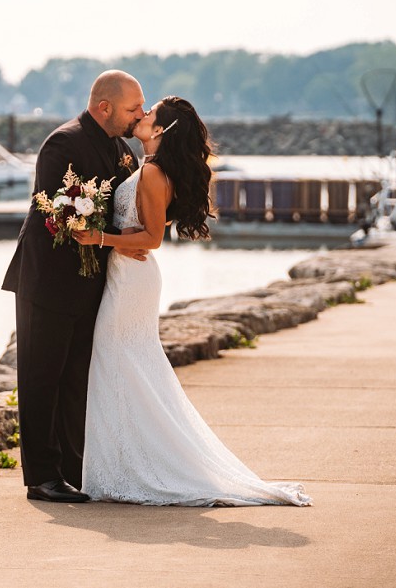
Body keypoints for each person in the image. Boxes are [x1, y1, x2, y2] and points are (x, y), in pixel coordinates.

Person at [72, 96, 312, 506]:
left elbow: (151, 239)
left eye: (149, 114)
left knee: (119, 361)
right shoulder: (149, 168)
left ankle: (132, 467)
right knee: (128, 365)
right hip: (128, 275)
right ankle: (125, 463)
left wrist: (99, 237)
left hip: (132, 279)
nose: (142, 115)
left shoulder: (152, 173)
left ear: (161, 131)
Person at [1, 70, 147, 503]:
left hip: (93, 284)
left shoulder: (124, 151)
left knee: (76, 381)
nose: (139, 115)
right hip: (47, 281)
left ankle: (73, 470)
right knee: (41, 377)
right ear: (104, 107)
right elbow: (57, 215)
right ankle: (42, 478)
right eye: (132, 108)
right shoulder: (62, 143)